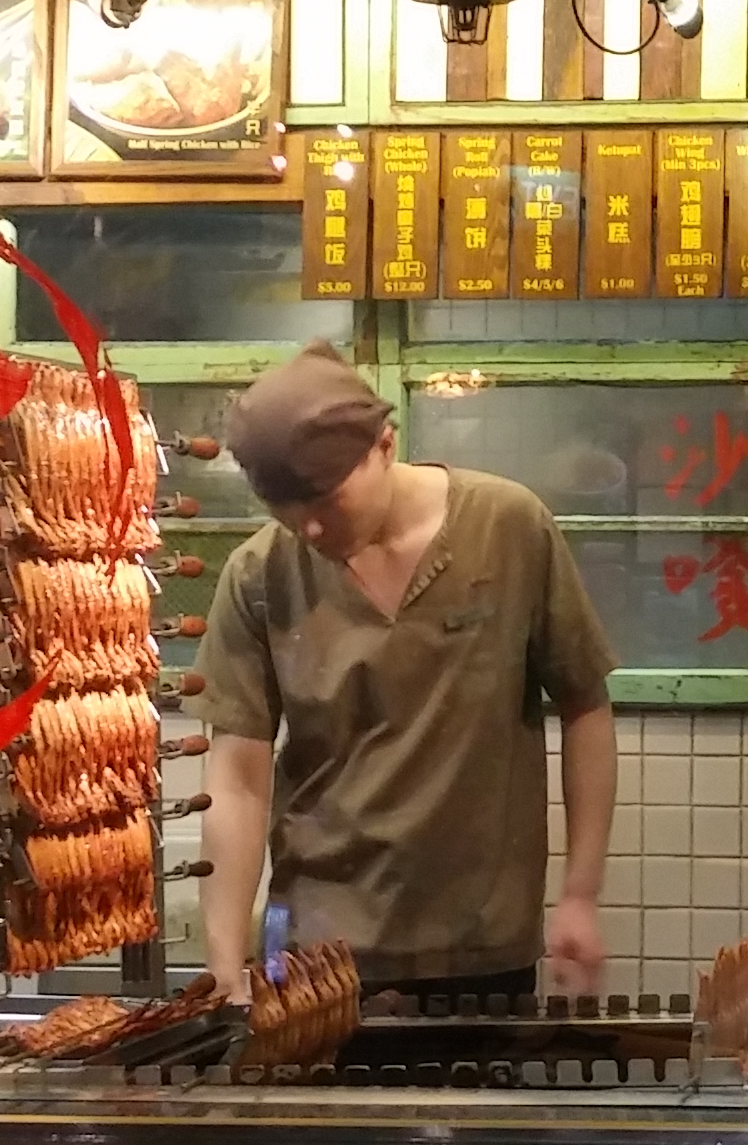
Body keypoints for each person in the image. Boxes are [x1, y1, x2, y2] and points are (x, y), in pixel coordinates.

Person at [194, 343, 619, 1002]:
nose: (309, 529)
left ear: (385, 445)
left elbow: (585, 705)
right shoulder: (260, 575)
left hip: (481, 944)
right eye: (284, 508)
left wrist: (580, 895)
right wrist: (225, 961)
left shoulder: (507, 528)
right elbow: (239, 778)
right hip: (316, 950)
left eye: (326, 500)